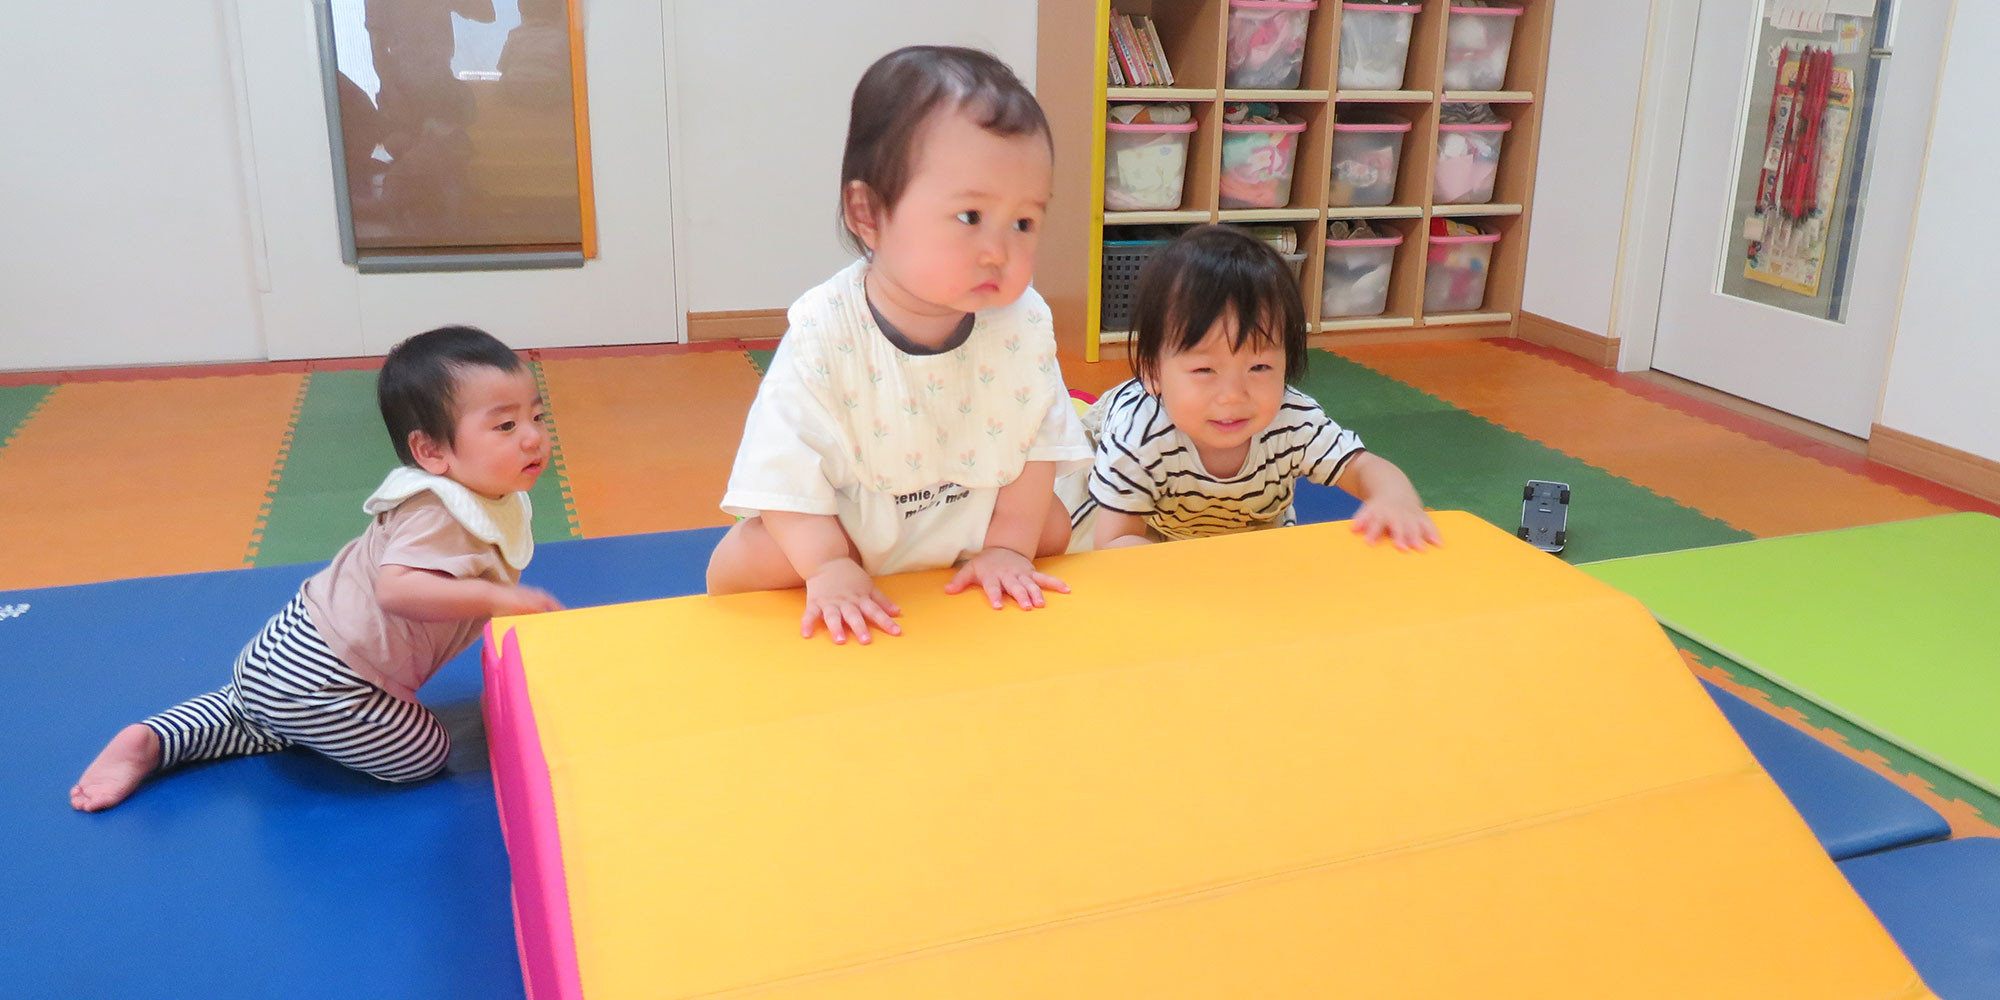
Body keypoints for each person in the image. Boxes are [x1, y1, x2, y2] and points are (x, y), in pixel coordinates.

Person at [70, 326, 563, 812]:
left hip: (285, 646)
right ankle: (296, 721)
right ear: (431, 451)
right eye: (505, 426)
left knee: (254, 709)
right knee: (426, 752)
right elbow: (397, 589)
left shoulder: (481, 497)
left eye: (537, 417)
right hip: (332, 678)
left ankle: (156, 739)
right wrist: (497, 600)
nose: (532, 438)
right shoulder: (440, 512)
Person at [705, 46, 1091, 645]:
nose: (1000, 249)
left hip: (971, 515)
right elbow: (782, 470)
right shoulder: (825, 331)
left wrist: (1009, 547)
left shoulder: (1023, 321)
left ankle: (985, 554)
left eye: (1024, 223)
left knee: (1054, 526)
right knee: (744, 565)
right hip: (849, 526)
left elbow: (1035, 441)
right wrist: (827, 566)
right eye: (970, 216)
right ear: (869, 214)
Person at [1077, 225, 1441, 551]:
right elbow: (1115, 540)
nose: (1234, 395)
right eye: (1205, 369)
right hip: (1159, 530)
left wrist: (1395, 497)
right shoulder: (1138, 435)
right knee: (1073, 507)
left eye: (1260, 366)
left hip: (1254, 535)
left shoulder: (1292, 420)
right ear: (1153, 372)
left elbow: (1363, 468)